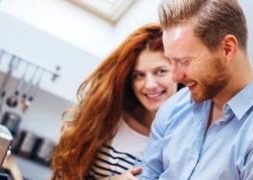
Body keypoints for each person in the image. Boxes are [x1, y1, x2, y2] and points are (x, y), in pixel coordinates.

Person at [135, 0, 253, 179]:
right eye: (170, 61)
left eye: (183, 61)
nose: (175, 77)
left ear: (227, 49)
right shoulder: (174, 107)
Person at [51, 23, 183, 179]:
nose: (149, 85)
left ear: (179, 72)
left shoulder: (186, 138)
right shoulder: (110, 118)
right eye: (139, 75)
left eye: (160, 72)